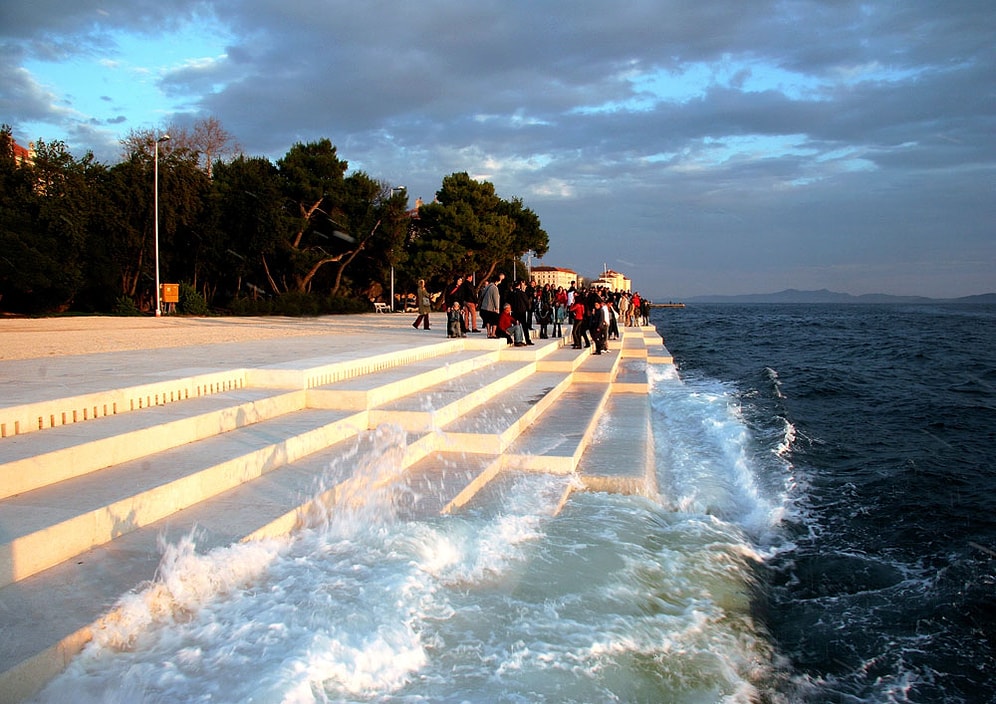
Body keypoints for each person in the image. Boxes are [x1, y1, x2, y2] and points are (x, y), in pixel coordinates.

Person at [508, 279, 533, 345]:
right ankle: (527, 340)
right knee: (524, 327)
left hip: (514, 312)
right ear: (519, 285)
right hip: (522, 312)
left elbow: (509, 302)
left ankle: (517, 339)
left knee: (516, 326)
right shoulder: (522, 293)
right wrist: (528, 308)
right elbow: (527, 302)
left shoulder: (511, 293)